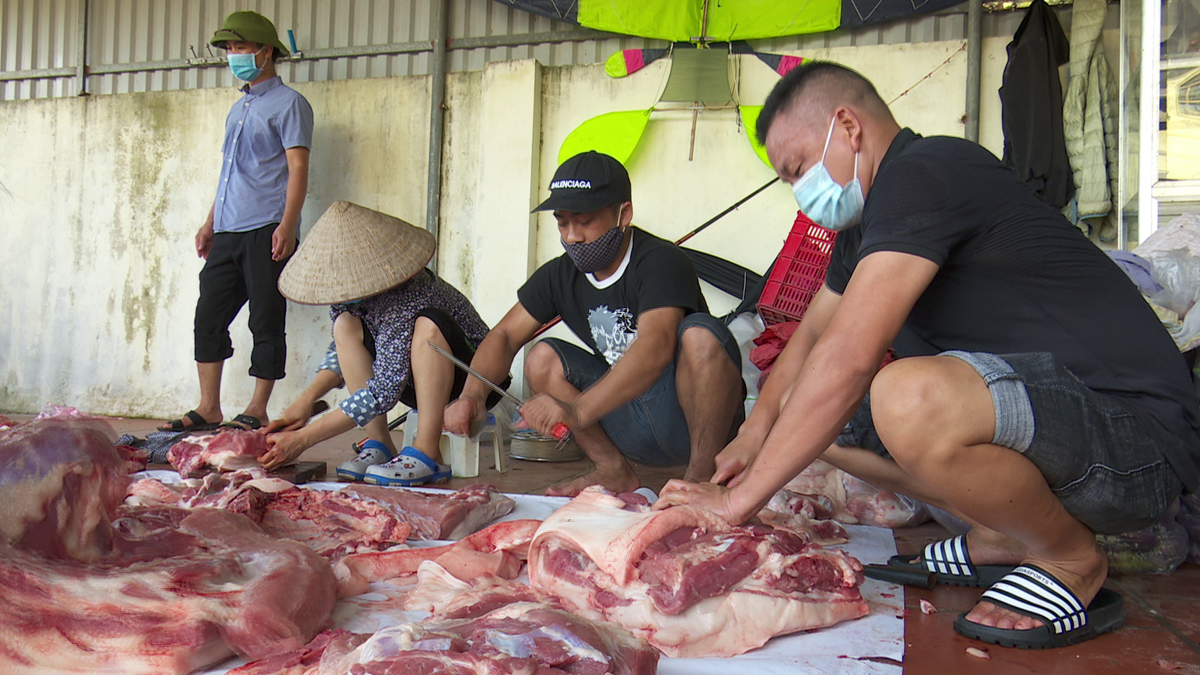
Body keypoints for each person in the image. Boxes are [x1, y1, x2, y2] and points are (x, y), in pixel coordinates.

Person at [656, 62, 1200, 650]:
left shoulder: (926, 173)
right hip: (1053, 429)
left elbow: (848, 358)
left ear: (847, 127)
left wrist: (737, 504)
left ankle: (1070, 557)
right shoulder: (864, 227)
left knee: (904, 395)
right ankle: (1004, 531)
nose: (799, 192)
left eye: (797, 170)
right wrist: (754, 434)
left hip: (1134, 442)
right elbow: (813, 335)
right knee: (819, 419)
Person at [443, 151, 745, 496]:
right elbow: (505, 335)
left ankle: (699, 480)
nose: (572, 236)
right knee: (541, 358)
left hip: (686, 414)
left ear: (624, 214)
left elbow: (655, 347)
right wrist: (472, 395)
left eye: (585, 222)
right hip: (627, 417)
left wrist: (576, 410)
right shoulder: (559, 275)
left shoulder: (661, 261)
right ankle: (613, 469)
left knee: (702, 336)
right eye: (562, 222)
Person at [259, 201, 507, 485]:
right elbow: (340, 351)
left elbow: (383, 391)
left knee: (428, 327)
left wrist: (304, 439)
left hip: (471, 380)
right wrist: (306, 400)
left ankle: (429, 451)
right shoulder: (349, 295)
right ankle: (381, 443)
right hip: (412, 379)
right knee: (346, 325)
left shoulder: (407, 293)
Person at [160, 11, 313, 433]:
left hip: (266, 227)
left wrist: (288, 224)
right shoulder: (238, 108)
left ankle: (257, 408)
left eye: (241, 48)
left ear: (266, 52)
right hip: (228, 229)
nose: (233, 56)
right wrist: (209, 223)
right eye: (229, 50)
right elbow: (230, 172)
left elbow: (297, 169)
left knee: (266, 319)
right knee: (208, 316)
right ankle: (209, 407)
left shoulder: (291, 105)